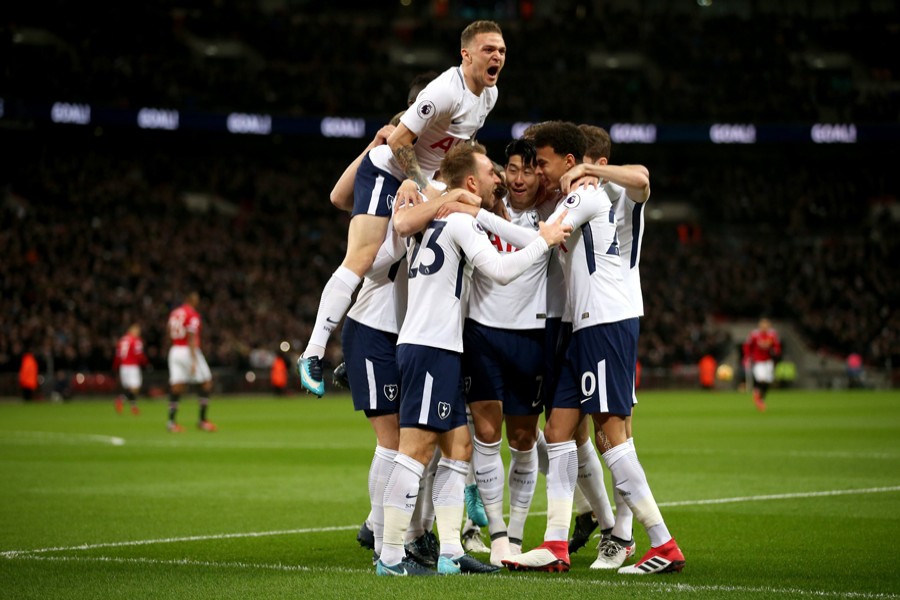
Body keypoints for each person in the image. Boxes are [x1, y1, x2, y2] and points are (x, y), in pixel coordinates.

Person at [375, 143, 570, 576]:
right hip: (430, 346)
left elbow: (423, 215)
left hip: (442, 347)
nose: (498, 178)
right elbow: (500, 271)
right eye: (489, 172)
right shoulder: (458, 220)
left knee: (459, 447)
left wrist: (540, 235)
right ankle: (389, 556)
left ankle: (449, 552)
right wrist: (544, 242)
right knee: (415, 452)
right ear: (469, 182)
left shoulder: (438, 211)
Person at [501, 121, 684, 575]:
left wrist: (478, 218)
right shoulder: (576, 194)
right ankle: (556, 544)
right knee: (560, 430)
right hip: (581, 326)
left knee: (610, 433)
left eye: (541, 163)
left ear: (569, 162)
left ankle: (660, 542)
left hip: (605, 319)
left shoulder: (586, 194)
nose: (536, 171)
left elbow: (542, 237)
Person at [296, 20, 506, 398]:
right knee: (362, 257)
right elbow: (398, 140)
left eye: (502, 51)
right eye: (489, 49)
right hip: (390, 170)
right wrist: (424, 186)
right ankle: (312, 352)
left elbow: (457, 150)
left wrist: (455, 184)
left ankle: (359, 353)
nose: (497, 56)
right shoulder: (445, 90)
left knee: (414, 262)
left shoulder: (489, 97)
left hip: (423, 179)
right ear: (466, 54)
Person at [166, 291, 216, 432]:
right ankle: (202, 420)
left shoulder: (174, 313)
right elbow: (191, 335)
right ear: (193, 300)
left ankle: (171, 422)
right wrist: (194, 359)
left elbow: (168, 330)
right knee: (206, 382)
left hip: (175, 349)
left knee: (177, 387)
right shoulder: (192, 314)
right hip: (188, 350)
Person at [742, 317, 782, 411]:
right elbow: (747, 345)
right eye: (762, 325)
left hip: (768, 361)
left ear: (769, 326)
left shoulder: (772, 334)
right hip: (758, 360)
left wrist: (776, 352)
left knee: (768, 381)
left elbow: (777, 346)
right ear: (760, 326)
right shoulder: (754, 334)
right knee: (761, 379)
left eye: (766, 325)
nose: (764, 327)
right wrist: (747, 356)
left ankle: (760, 399)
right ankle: (757, 393)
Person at [113, 323, 148, 414]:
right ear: (132, 331)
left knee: (130, 388)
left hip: (123, 367)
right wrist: (146, 363)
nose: (138, 333)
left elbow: (117, 356)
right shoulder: (136, 340)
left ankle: (134, 407)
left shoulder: (122, 340)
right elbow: (139, 354)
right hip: (133, 366)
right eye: (137, 331)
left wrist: (116, 367)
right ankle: (121, 399)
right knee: (135, 388)